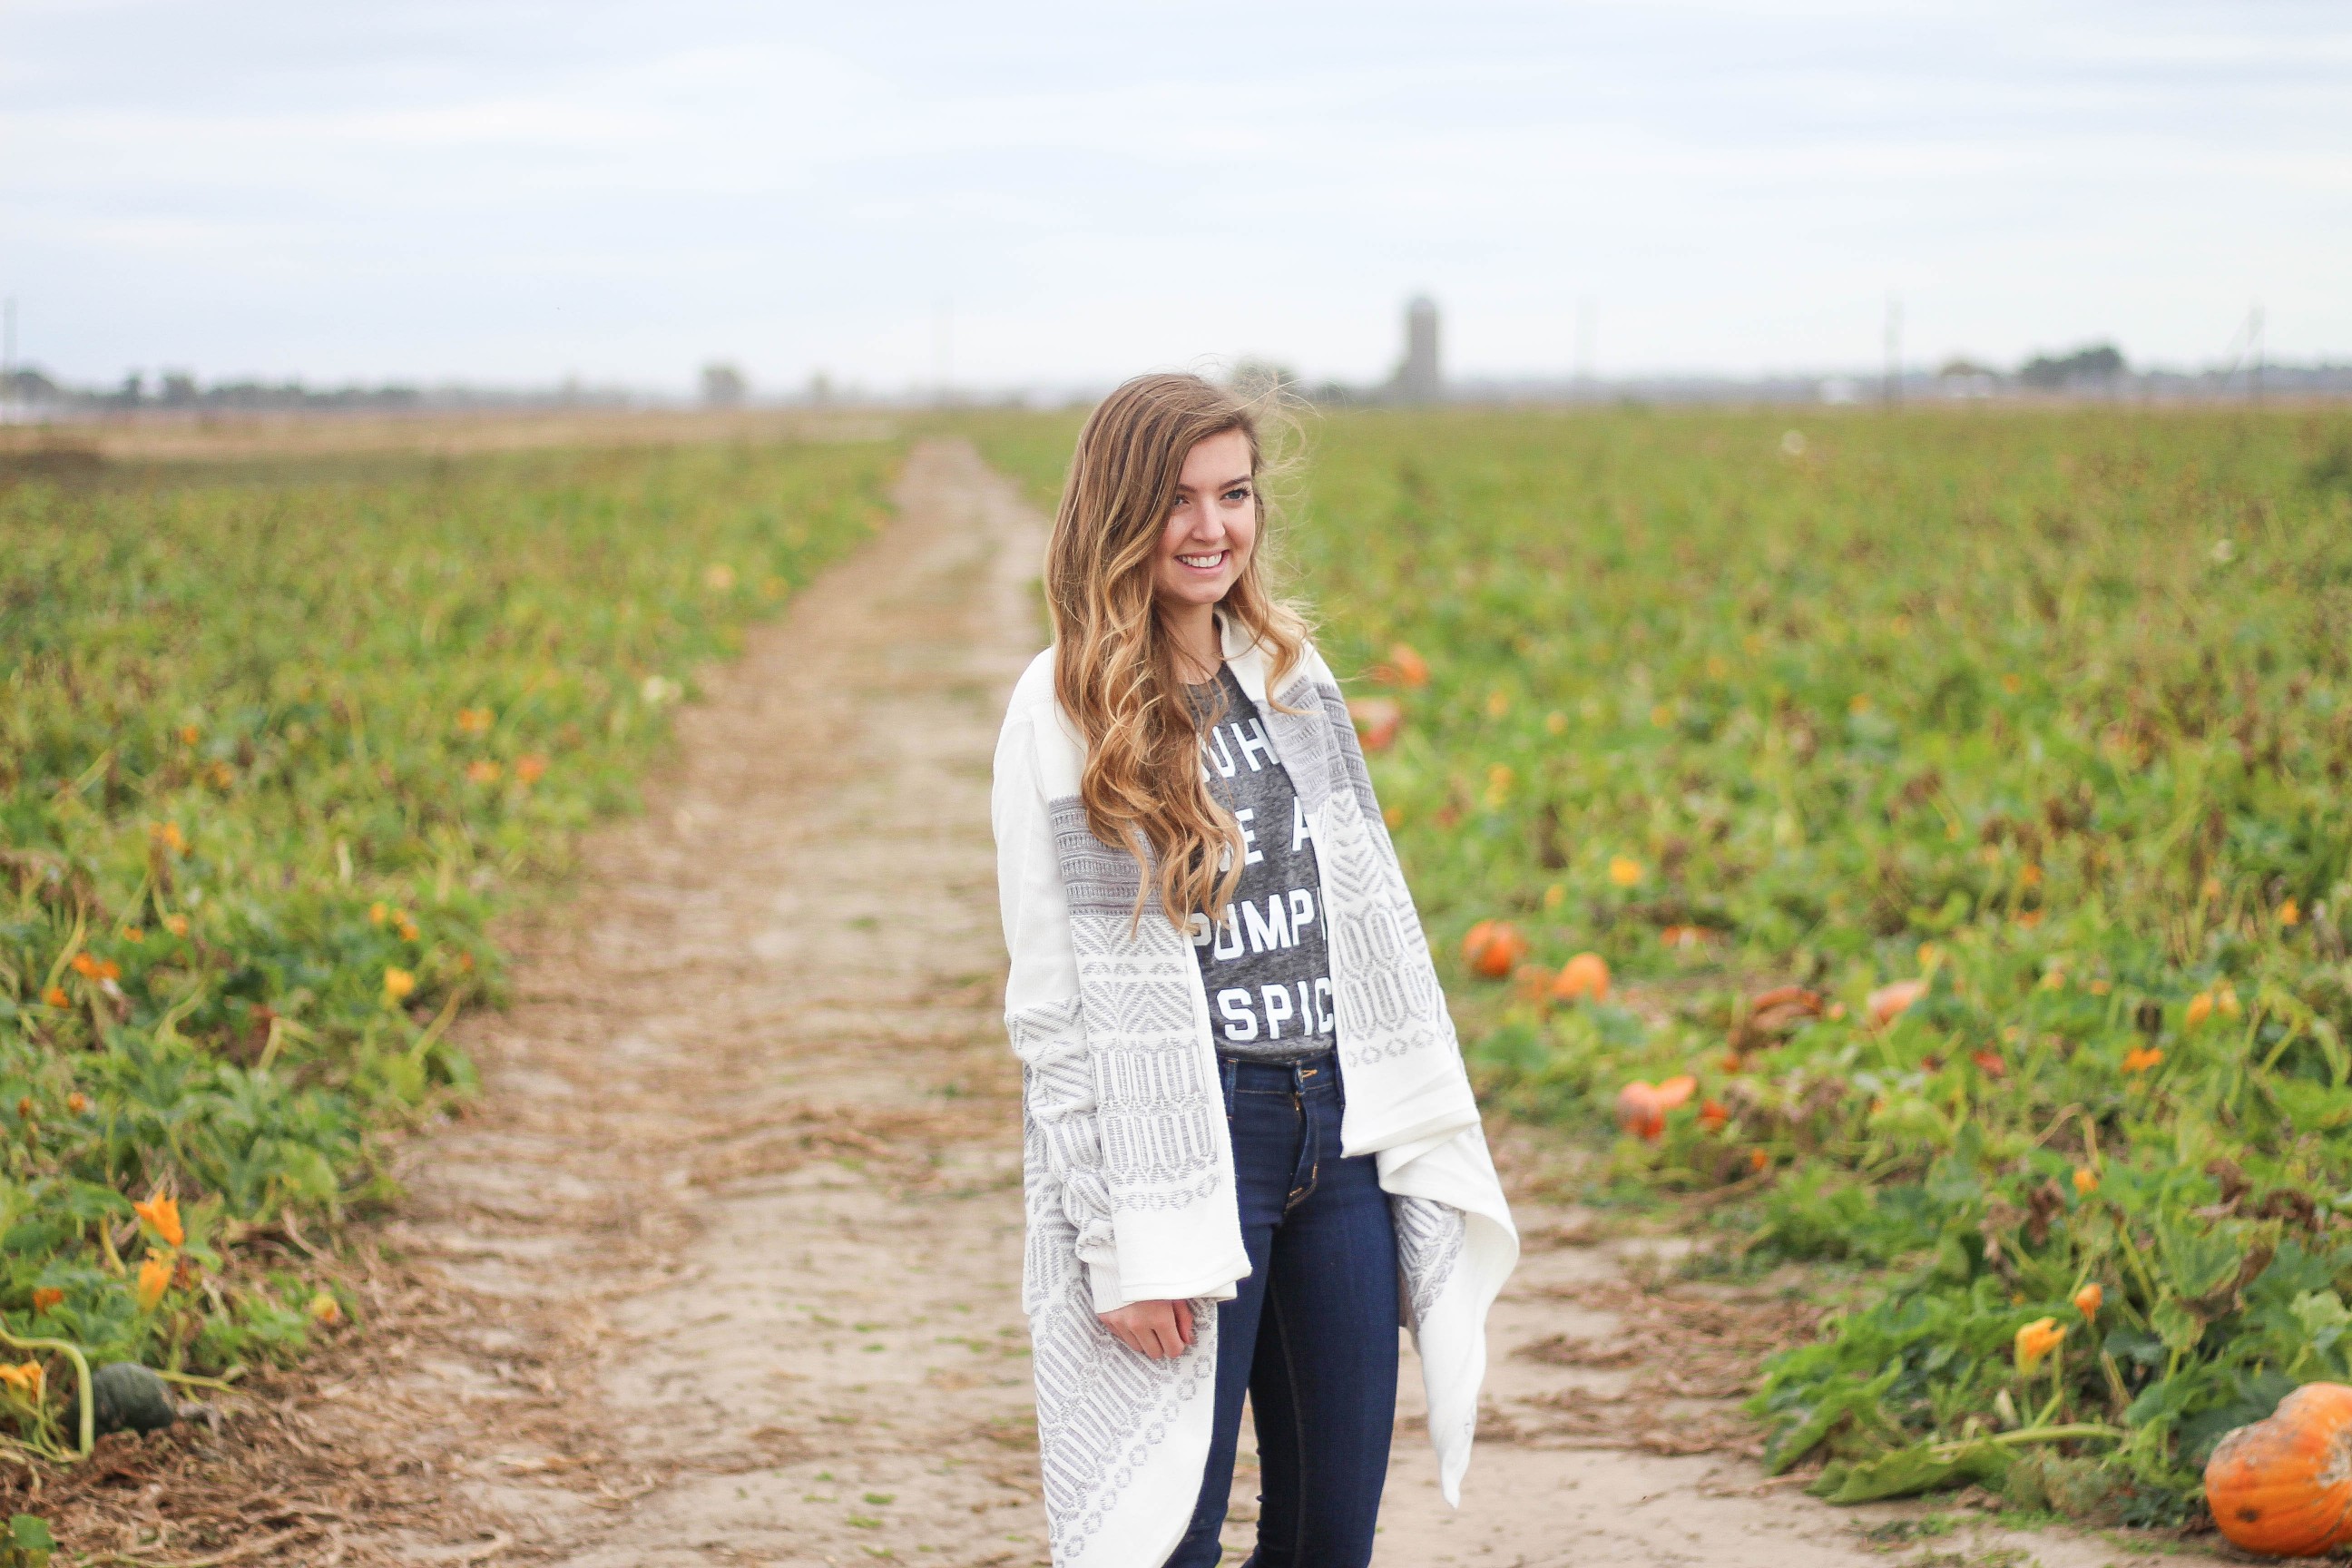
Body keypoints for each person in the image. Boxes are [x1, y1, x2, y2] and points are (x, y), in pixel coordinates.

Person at [992, 372, 1517, 1568]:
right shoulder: (1063, 706)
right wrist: (1111, 1243)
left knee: (1329, 1536)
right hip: (1193, 1145)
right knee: (1165, 1534)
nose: (1212, 527)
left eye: (1234, 494)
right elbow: (1054, 1013)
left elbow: (1365, 917)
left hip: (1333, 1137)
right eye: (1177, 499)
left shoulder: (1289, 674)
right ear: (1117, 510)